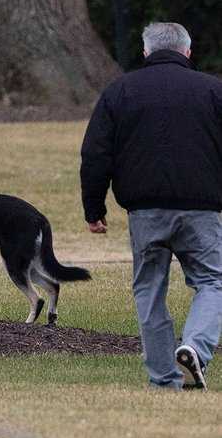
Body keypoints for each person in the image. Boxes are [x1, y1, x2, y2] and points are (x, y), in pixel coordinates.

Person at [80, 22, 222, 390]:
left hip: (144, 211)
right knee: (213, 280)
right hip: (202, 208)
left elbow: (96, 153)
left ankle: (164, 379)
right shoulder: (212, 90)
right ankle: (195, 347)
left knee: (149, 289)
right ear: (187, 52)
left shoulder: (121, 91)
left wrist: (93, 208)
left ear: (146, 53)